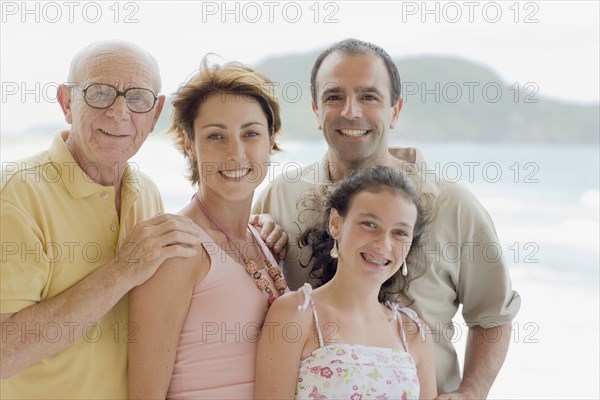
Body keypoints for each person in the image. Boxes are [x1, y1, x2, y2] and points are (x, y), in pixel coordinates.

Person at [253, 38, 521, 398]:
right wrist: (253, 234)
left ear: (395, 111)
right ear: (316, 112)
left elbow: (493, 315)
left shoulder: (455, 205)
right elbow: (251, 290)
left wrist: (470, 392)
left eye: (369, 96)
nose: (351, 111)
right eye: (334, 96)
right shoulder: (279, 195)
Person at [0, 41, 205, 399]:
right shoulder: (16, 195)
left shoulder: (148, 193)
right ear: (66, 103)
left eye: (137, 98)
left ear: (155, 113)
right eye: (99, 93)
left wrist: (262, 229)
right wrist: (122, 270)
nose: (118, 112)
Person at [128, 60, 288, 399]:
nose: (236, 153)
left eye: (251, 134)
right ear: (189, 143)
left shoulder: (261, 240)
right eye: (216, 136)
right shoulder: (178, 248)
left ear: (270, 141)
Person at [255, 166, 437, 399]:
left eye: (400, 233)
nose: (383, 244)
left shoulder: (414, 332)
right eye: (370, 224)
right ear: (336, 224)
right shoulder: (295, 314)